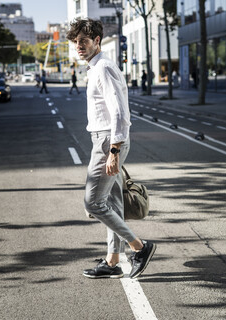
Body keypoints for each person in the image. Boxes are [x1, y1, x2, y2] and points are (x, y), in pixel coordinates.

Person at [67, 18, 156, 279]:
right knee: (113, 203)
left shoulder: (104, 67)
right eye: (76, 42)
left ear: (97, 41)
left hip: (108, 140)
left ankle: (139, 247)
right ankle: (112, 260)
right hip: (104, 139)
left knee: (93, 202)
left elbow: (119, 112)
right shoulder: (96, 67)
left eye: (84, 41)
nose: (79, 46)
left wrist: (113, 150)